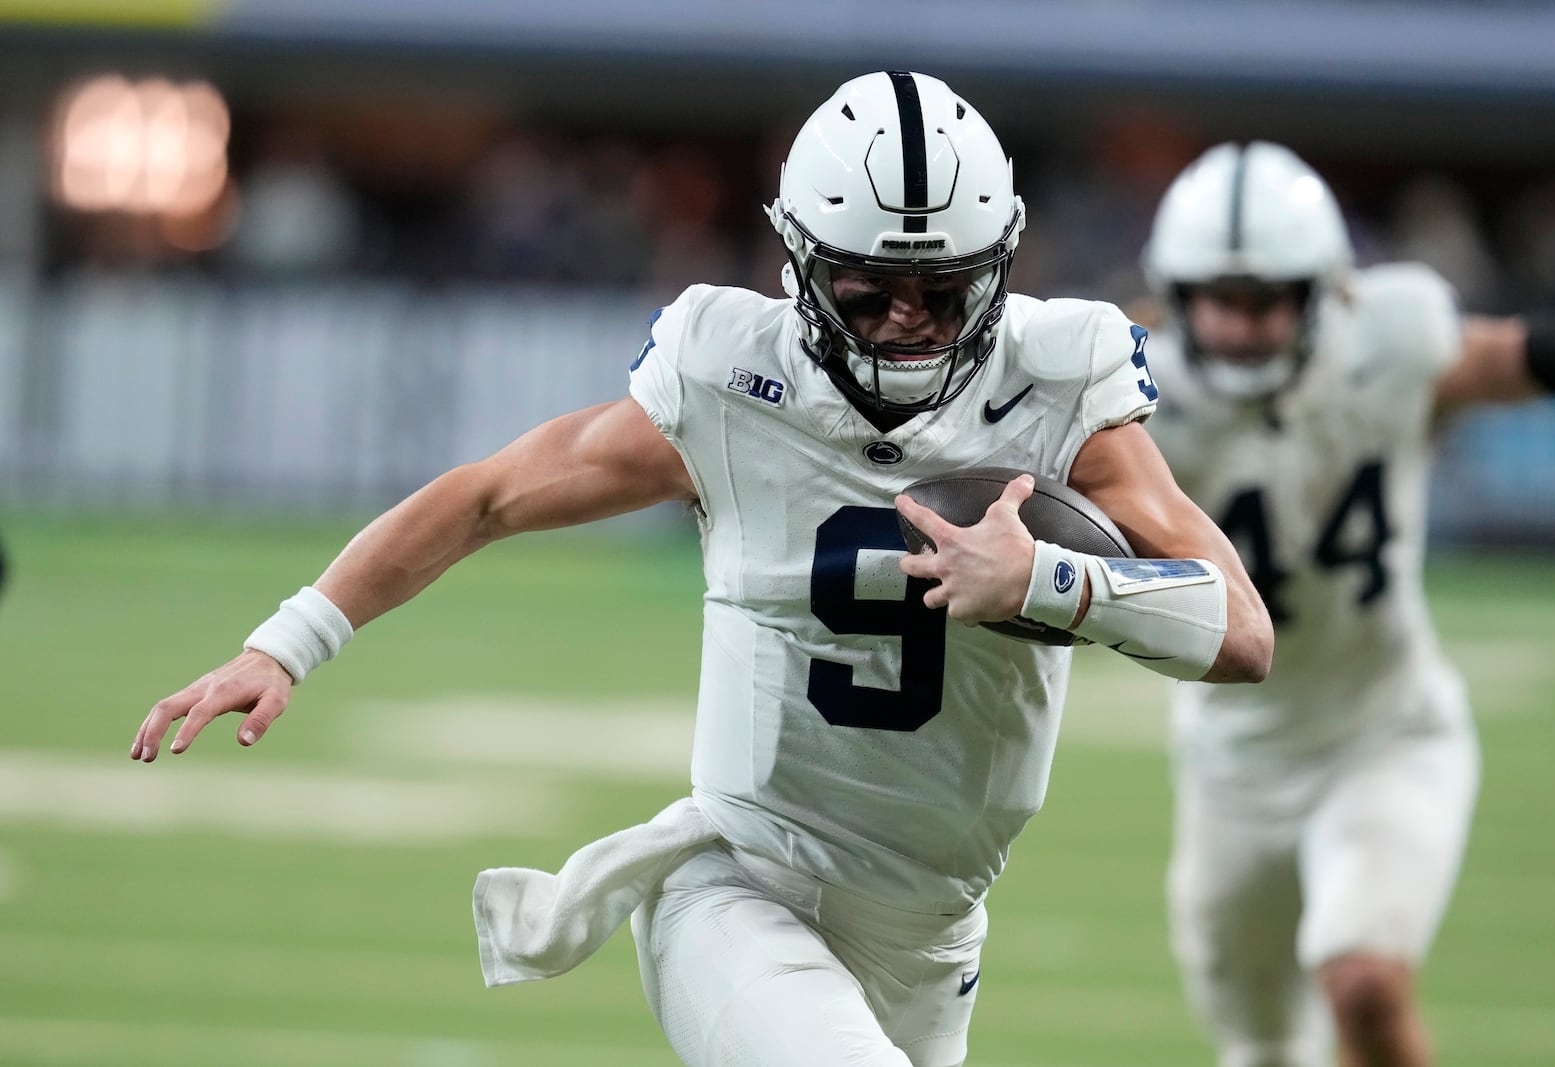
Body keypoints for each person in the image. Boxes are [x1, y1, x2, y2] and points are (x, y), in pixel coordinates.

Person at [130, 71, 1272, 1067]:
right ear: (799, 266)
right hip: (741, 880)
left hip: (932, 925)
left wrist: (1043, 582)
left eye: (945, 289)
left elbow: (1241, 634)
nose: (908, 322)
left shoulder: (1058, 386)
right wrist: (287, 641)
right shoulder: (732, 378)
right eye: (870, 288)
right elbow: (485, 496)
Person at [1138, 140, 1555, 1067]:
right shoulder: (1134, 390)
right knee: (1262, 1047)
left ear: (1326, 292)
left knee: (1365, 983)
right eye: (1219, 300)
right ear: (1176, 295)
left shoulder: (1392, 343)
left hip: (1383, 732)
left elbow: (1523, 358)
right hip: (1232, 766)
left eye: (1266, 299)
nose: (1239, 328)